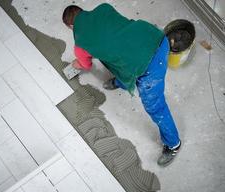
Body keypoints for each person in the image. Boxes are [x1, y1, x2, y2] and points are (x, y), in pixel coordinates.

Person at [62, 3, 181, 167]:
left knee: (155, 107)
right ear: (82, 12)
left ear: (71, 26)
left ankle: (173, 144)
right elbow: (115, 38)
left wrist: (77, 64)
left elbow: (86, 65)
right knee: (117, 57)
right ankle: (122, 82)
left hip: (150, 64)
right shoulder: (104, 8)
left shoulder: (80, 45)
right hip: (155, 36)